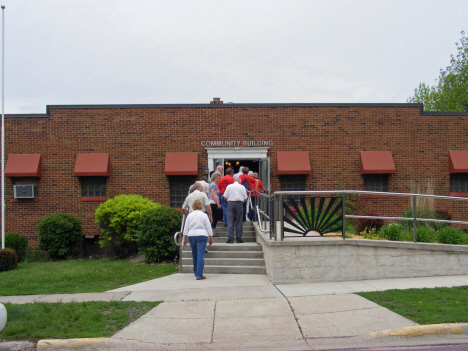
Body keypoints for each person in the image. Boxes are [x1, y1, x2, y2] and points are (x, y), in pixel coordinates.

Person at [183, 200, 213, 280]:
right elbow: (208, 226)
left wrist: (184, 238)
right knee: (200, 255)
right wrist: (211, 237)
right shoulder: (204, 215)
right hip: (202, 234)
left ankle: (196, 271)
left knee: (194, 254)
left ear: (193, 206)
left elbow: (186, 227)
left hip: (191, 235)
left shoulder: (189, 215)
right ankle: (199, 274)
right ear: (201, 206)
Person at [224, 178, 248, 243]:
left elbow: (225, 197)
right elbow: (245, 199)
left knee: (230, 221)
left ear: (234, 181)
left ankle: (230, 238)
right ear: (240, 182)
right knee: (239, 221)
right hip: (239, 203)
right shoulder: (242, 187)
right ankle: (239, 238)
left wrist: (229, 201)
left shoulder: (229, 186)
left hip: (230, 203)